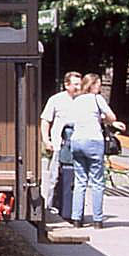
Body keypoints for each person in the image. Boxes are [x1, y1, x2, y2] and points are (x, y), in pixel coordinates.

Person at [68, 73, 126, 228]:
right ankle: (97, 220)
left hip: (76, 141)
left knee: (80, 181)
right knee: (97, 182)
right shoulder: (96, 99)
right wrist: (107, 120)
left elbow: (74, 119)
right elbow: (111, 117)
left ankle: (76, 219)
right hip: (93, 141)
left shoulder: (76, 100)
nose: (100, 87)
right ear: (92, 85)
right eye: (99, 84)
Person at [40, 71, 82, 208]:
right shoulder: (56, 100)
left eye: (80, 84)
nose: (78, 87)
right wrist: (47, 140)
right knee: (53, 178)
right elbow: (45, 120)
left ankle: (69, 209)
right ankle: (49, 207)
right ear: (66, 85)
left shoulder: (83, 100)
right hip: (59, 144)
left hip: (78, 145)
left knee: (73, 179)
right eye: (75, 84)